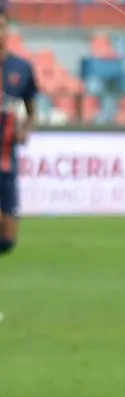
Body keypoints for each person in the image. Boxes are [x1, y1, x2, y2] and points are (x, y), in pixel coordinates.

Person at [0, 9, 38, 259]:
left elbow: (32, 110)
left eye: (2, 27)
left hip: (6, 157)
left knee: (7, 241)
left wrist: (24, 130)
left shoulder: (21, 68)